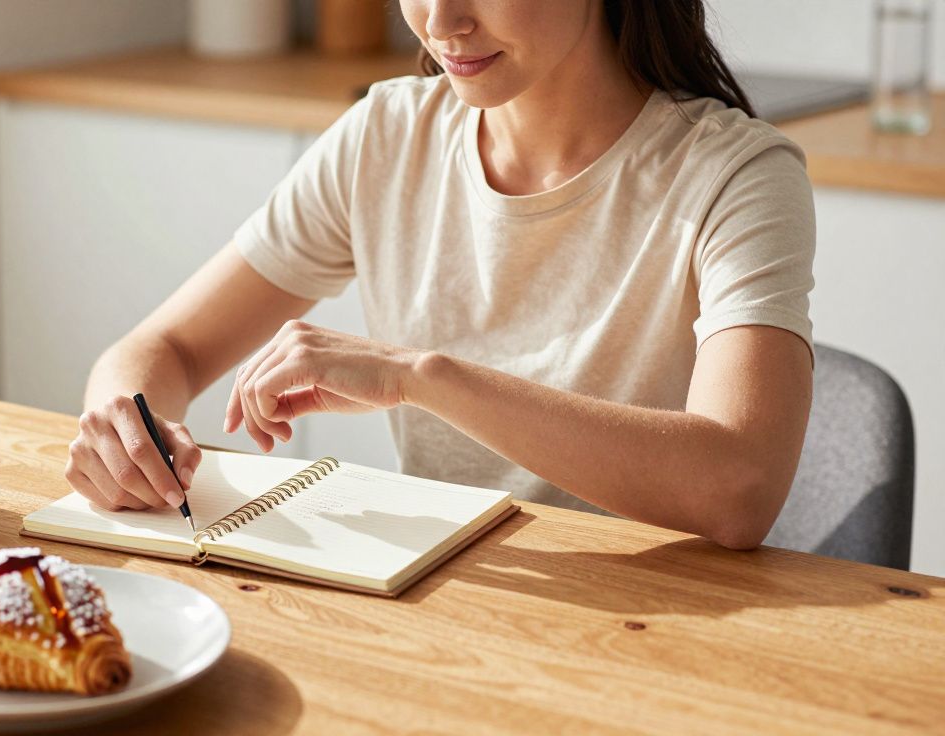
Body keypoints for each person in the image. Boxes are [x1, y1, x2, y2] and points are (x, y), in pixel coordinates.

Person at [64, 0, 815, 550]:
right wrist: (126, 434)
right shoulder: (386, 137)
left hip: (653, 625)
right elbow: (165, 349)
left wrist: (417, 376)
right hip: (446, 599)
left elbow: (739, 486)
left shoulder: (734, 174)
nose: (440, 19)